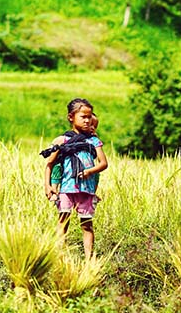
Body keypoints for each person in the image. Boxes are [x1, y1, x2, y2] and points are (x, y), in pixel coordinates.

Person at [42, 98, 108, 258]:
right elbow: (50, 164)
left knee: (87, 225)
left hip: (86, 188)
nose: (87, 120)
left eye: (89, 116)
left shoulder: (93, 141)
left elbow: (103, 163)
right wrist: (48, 185)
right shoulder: (62, 141)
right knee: (63, 221)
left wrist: (89, 172)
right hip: (66, 187)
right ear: (71, 117)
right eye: (83, 117)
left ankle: (89, 259)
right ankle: (60, 257)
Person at [49, 113, 99, 201]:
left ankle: (92, 193)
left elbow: (98, 158)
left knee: (96, 173)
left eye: (94, 126)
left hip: (86, 166)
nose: (92, 128)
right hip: (67, 163)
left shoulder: (92, 140)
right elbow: (54, 146)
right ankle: (54, 191)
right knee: (57, 168)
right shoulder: (68, 137)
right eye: (91, 125)